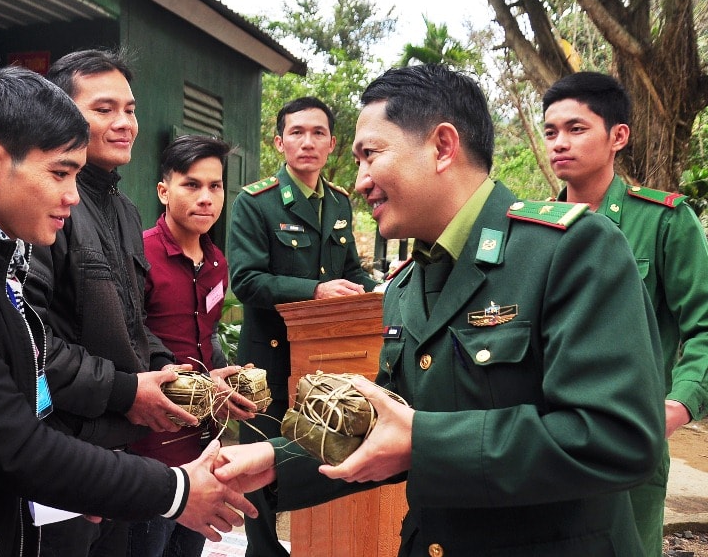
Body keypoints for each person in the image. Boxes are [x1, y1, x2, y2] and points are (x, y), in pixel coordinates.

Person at [213, 63, 667, 556]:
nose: (361, 180)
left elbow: (619, 437)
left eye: (371, 155)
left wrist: (425, 442)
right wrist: (274, 461)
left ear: (443, 147)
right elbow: (386, 426)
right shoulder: (407, 284)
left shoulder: (572, 251)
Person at [0, 65, 256, 557]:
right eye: (59, 173)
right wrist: (171, 490)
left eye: (130, 109)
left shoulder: (3, 254)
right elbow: (13, 443)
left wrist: (84, 477)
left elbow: (56, 366)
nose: (71, 195)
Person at [22, 49, 196, 557]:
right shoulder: (45, 208)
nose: (125, 123)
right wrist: (125, 392)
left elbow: (132, 324)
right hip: (61, 455)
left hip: (116, 450)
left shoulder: (124, 209)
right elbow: (32, 342)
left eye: (131, 108)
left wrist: (182, 379)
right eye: (104, 110)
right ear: (61, 111)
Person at [542, 71, 708, 557]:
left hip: (625, 440)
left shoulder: (664, 222)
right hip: (540, 439)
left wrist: (678, 406)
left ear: (618, 136)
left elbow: (704, 326)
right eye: (551, 131)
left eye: (576, 128)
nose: (559, 143)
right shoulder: (530, 226)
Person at [226, 96, 378, 556]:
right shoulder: (255, 204)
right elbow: (246, 280)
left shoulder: (339, 202)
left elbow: (349, 270)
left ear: (333, 144)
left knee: (317, 456)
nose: (307, 142)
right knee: (259, 464)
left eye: (317, 133)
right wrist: (313, 291)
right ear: (279, 142)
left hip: (327, 358)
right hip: (269, 357)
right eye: (296, 132)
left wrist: (378, 288)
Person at [126, 135, 257, 557]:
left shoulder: (218, 261)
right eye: (191, 185)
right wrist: (195, 382)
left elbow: (209, 334)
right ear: (164, 191)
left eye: (215, 186)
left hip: (205, 446)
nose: (206, 198)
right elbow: (130, 332)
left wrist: (226, 382)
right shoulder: (138, 253)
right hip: (151, 449)